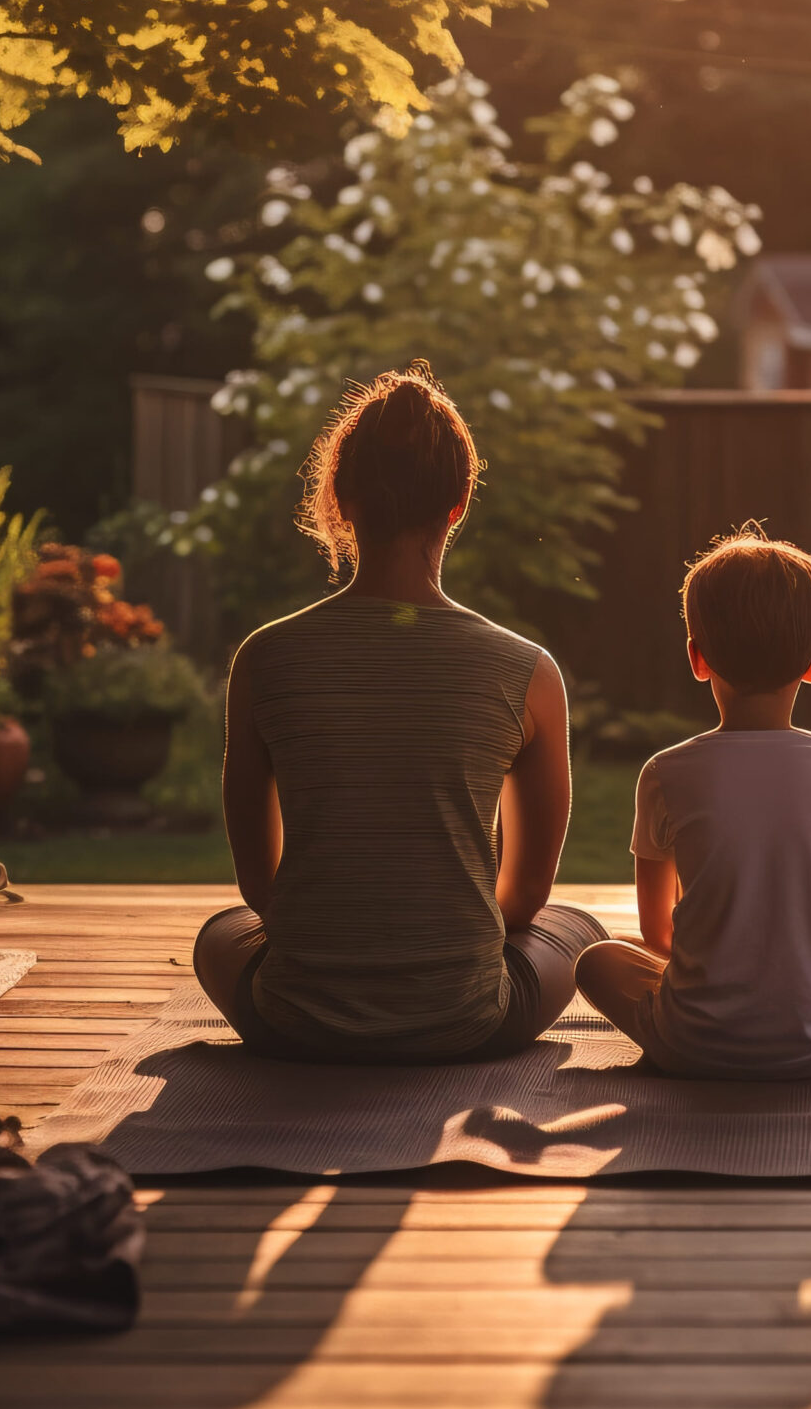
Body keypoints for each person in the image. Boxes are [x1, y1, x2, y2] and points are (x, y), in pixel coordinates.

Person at [192, 362, 606, 1062]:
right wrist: (438, 948)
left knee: (221, 934)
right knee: (578, 928)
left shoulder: (265, 658)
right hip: (465, 1021)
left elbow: (261, 887)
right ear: (458, 504)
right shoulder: (528, 671)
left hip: (296, 1018)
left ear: (341, 500)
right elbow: (528, 896)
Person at [575, 526, 811, 1078]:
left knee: (599, 960)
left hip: (690, 1048)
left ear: (697, 658)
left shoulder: (664, 773)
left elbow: (657, 936)